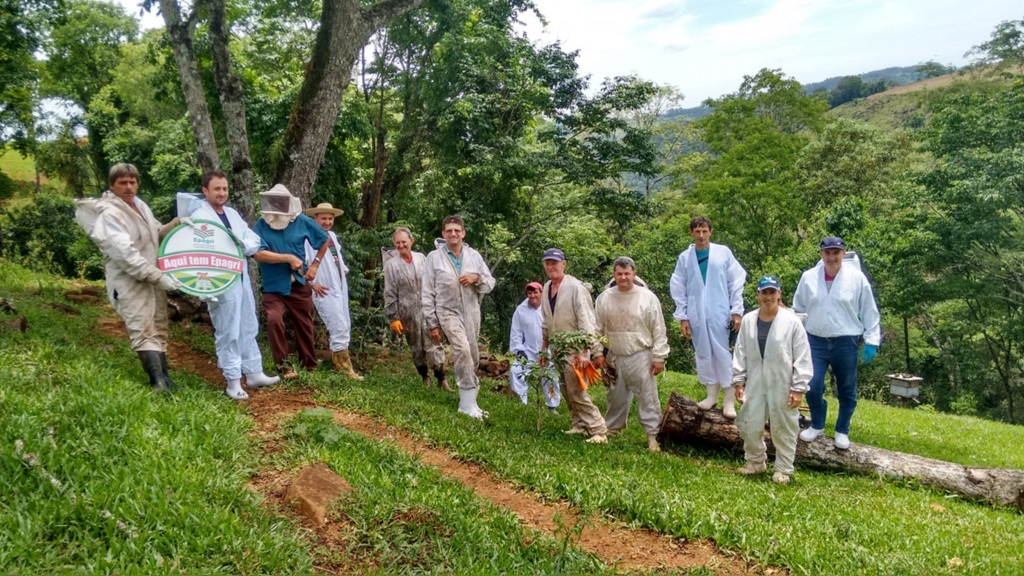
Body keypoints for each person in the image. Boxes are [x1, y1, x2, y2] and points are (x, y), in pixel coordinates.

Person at [77, 163, 182, 391]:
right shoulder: (110, 214)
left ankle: (166, 378)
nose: (129, 187)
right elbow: (126, 255)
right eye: (122, 182)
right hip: (129, 279)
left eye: (132, 182)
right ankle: (156, 381)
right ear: (112, 185)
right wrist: (157, 276)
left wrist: (175, 225)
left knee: (158, 323)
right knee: (141, 325)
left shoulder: (140, 206)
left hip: (151, 276)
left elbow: (154, 233)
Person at [188, 170, 280, 400]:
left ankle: (254, 372)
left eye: (225, 188)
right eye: (217, 188)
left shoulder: (231, 213)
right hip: (217, 278)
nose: (222, 193)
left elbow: (252, 239)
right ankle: (232, 380)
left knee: (248, 323)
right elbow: (199, 247)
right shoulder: (198, 215)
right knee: (228, 328)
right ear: (205, 191)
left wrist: (243, 243)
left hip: (239, 275)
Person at [794, 236, 881, 450]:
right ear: (821, 254)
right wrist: (793, 336)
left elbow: (869, 310)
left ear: (843, 253)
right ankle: (817, 424)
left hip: (846, 340)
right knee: (812, 386)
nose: (831, 257)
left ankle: (842, 430)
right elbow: (798, 309)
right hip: (814, 340)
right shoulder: (808, 277)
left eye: (836, 252)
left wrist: (872, 340)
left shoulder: (857, 278)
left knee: (846, 389)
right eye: (827, 252)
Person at [733, 275, 813, 484]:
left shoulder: (792, 322)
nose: (768, 297)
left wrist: (798, 388)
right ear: (758, 295)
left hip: (783, 382)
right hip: (755, 381)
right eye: (764, 292)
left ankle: (783, 469)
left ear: (779, 294)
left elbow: (802, 356)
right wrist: (739, 381)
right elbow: (740, 352)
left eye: (772, 292)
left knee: (784, 426)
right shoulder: (749, 320)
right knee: (749, 422)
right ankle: (755, 462)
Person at [669, 216, 747, 418]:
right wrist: (683, 316)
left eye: (704, 231)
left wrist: (736, 311)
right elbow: (678, 287)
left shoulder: (723, 253)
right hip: (696, 314)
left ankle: (729, 402)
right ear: (691, 233)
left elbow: (736, 282)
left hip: (721, 311)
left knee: (723, 353)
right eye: (697, 231)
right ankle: (711, 395)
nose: (701, 235)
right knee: (704, 352)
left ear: (710, 231)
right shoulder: (685, 258)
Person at [252, 185, 331, 378]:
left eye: (281, 201)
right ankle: (284, 367)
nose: (277, 205)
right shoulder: (261, 225)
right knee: (274, 320)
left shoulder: (301, 221)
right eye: (274, 201)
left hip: (298, 283)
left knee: (304, 324)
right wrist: (287, 258)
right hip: (273, 286)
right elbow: (258, 253)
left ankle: (310, 366)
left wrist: (315, 265)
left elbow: (324, 240)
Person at [422, 216, 495, 419]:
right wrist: (432, 322)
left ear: (463, 233)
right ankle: (465, 406)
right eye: (448, 231)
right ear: (443, 234)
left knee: (472, 355)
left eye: (457, 230)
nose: (453, 234)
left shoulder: (474, 256)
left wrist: (476, 278)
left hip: (471, 311)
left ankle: (471, 402)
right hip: (447, 311)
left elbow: (490, 283)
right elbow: (427, 292)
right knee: (461, 350)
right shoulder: (433, 258)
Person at [594, 257, 669, 452]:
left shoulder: (647, 297)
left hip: (640, 354)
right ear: (614, 274)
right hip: (614, 354)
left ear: (634, 274)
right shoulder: (605, 297)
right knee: (615, 396)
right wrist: (597, 353)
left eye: (627, 274)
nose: (623, 277)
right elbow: (597, 329)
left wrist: (659, 357)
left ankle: (652, 436)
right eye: (619, 274)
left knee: (647, 397)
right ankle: (611, 428)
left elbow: (658, 329)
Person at [540, 248, 609, 444]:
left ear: (564, 264)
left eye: (555, 262)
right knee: (565, 388)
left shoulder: (576, 287)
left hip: (574, 347)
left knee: (577, 390)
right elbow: (546, 320)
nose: (551, 266)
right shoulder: (546, 287)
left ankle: (598, 429)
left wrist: (584, 351)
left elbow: (586, 321)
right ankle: (579, 424)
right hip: (557, 347)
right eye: (548, 263)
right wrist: (544, 349)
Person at [384, 227, 450, 390]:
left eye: (404, 242)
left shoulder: (422, 258)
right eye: (397, 242)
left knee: (434, 343)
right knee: (415, 346)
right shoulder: (391, 265)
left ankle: (442, 379)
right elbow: (390, 291)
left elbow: (434, 281)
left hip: (428, 309)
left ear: (411, 241)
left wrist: (439, 306)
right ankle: (424, 377)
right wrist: (393, 317)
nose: (401, 245)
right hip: (407, 312)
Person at [303, 202, 362, 380]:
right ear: (316, 218)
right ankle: (345, 369)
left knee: (344, 323)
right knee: (337, 325)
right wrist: (313, 283)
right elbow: (304, 261)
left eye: (330, 218)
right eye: (324, 218)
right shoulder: (309, 238)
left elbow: (338, 262)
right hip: (323, 287)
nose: (327, 222)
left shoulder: (332, 237)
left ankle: (339, 364)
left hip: (338, 284)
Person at [509, 281, 560, 411]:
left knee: (550, 375)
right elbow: (516, 332)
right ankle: (521, 402)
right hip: (528, 352)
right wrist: (518, 350)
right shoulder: (521, 310)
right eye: (529, 293)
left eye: (535, 292)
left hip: (547, 351)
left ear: (541, 293)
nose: (532, 295)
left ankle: (552, 406)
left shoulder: (549, 307)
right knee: (516, 371)